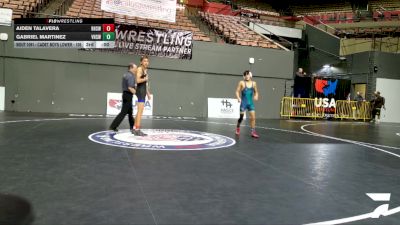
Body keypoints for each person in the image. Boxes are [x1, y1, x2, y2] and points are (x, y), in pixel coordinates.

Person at [109, 63, 137, 133]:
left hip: (126, 95)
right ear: (131, 68)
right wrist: (137, 94)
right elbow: (130, 87)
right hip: (128, 95)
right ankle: (113, 126)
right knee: (123, 112)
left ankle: (132, 126)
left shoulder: (125, 75)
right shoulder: (131, 76)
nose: (136, 70)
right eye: (135, 68)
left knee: (130, 112)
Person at [235, 70, 259, 138]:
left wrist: (256, 95)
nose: (246, 76)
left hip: (250, 103)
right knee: (241, 118)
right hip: (243, 103)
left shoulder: (254, 83)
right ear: (244, 76)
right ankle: (238, 126)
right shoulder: (242, 83)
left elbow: (256, 92)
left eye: (248, 74)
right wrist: (238, 97)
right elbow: (237, 91)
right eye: (245, 75)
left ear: (250, 75)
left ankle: (253, 132)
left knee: (253, 118)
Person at [133, 55, 152, 136]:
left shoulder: (145, 70)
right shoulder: (140, 69)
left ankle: (134, 128)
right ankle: (137, 129)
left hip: (143, 90)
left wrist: (148, 93)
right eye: (144, 61)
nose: (146, 62)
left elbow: (145, 83)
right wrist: (145, 79)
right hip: (140, 91)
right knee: (140, 112)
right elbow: (137, 80)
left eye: (147, 61)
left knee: (139, 111)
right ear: (141, 62)